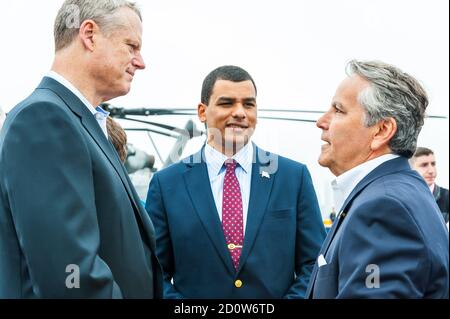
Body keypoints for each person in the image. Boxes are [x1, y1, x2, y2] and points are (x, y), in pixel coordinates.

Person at [0, 0, 162, 298]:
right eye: (131, 46)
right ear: (89, 34)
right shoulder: (45, 119)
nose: (140, 62)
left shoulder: (78, 122)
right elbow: (71, 278)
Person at [145, 65, 326, 299]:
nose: (240, 112)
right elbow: (154, 271)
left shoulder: (293, 177)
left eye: (248, 104)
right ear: (202, 112)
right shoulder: (166, 184)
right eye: (227, 103)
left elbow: (314, 264)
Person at [306, 60, 449, 298]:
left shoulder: (384, 207)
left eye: (338, 110)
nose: (321, 121)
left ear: (382, 131)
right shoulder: (395, 192)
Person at [411, 147, 449, 223]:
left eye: (433, 164)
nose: (431, 170)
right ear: (410, 168)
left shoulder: (447, 196)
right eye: (424, 165)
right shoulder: (401, 197)